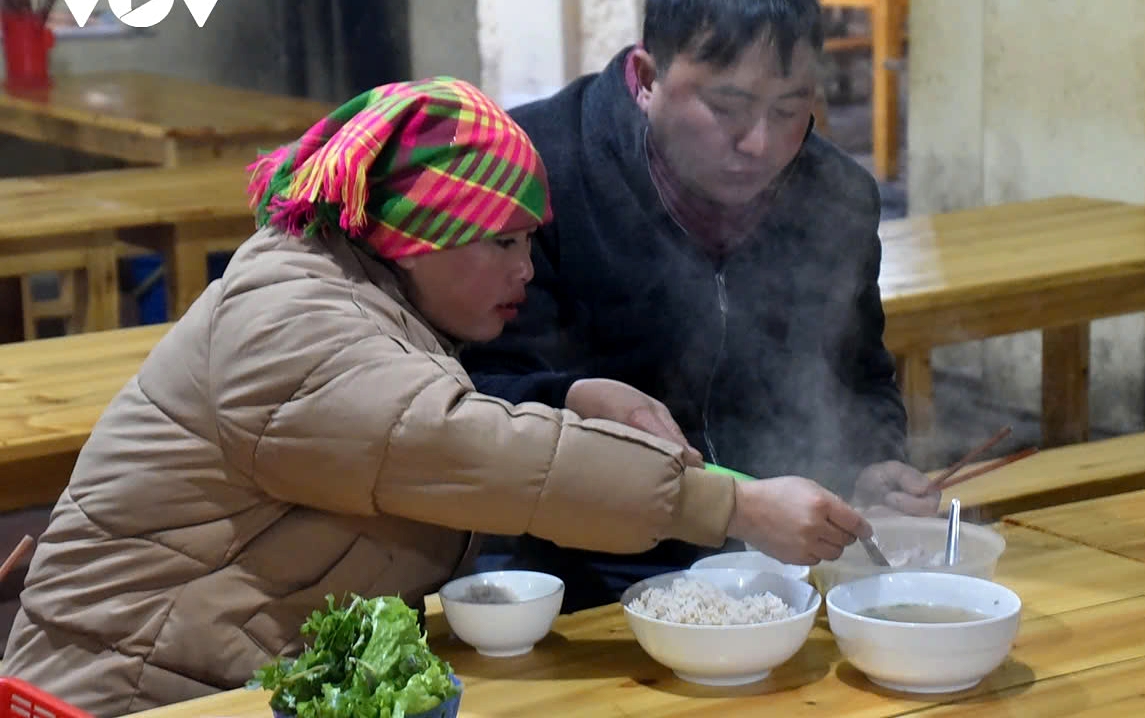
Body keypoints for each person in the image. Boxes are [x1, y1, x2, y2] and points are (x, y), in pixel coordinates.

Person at [1, 77, 875, 717]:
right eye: (500, 242)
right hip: (112, 698)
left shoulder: (350, 291)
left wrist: (572, 392)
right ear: (415, 236)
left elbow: (422, 429)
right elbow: (467, 448)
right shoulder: (291, 321)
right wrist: (733, 503)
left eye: (531, 240)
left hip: (208, 686)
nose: (526, 270)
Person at [462, 0, 939, 611]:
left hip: (778, 575)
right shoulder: (536, 177)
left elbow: (858, 374)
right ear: (647, 76)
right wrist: (573, 396)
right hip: (571, 575)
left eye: (788, 109)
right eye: (728, 107)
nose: (760, 145)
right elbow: (471, 396)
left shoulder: (837, 196)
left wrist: (870, 466)